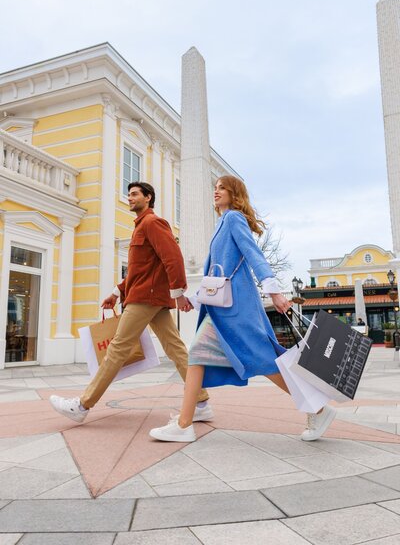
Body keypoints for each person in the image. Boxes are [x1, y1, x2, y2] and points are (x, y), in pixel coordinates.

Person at [150, 176, 336, 443]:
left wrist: (274, 291)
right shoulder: (222, 222)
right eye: (214, 187)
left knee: (263, 362)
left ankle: (318, 409)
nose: (216, 191)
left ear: (234, 193)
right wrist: (196, 296)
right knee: (198, 357)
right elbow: (218, 272)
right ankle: (184, 423)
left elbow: (253, 255)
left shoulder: (234, 219)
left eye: (222, 188)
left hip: (235, 310)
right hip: (222, 309)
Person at [50, 181, 212, 423]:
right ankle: (200, 401)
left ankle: (82, 405)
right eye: (129, 194)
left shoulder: (152, 223)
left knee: (117, 348)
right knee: (175, 348)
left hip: (146, 298)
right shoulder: (140, 227)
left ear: (148, 198)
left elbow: (173, 258)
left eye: (135, 194)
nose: (130, 198)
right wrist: (116, 292)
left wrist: (178, 293)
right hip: (148, 295)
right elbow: (139, 271)